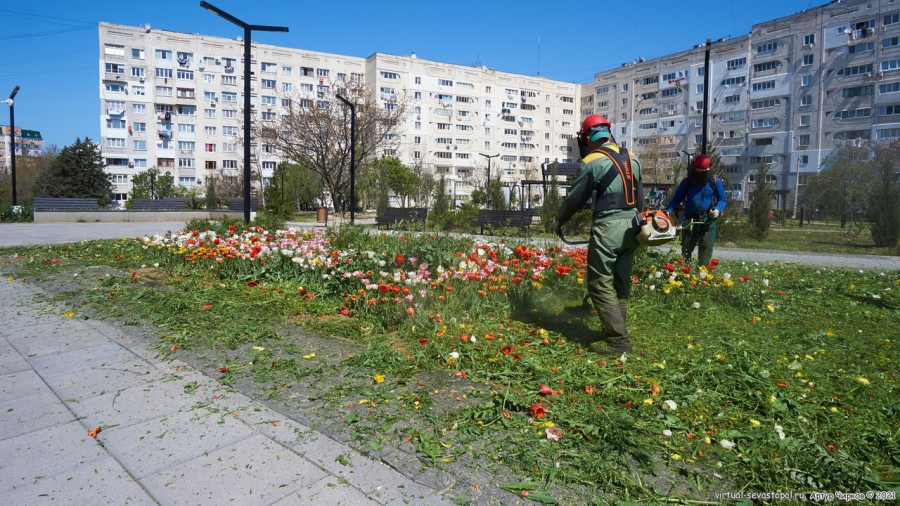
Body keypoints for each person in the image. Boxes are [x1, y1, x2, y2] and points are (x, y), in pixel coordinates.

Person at [553, 114, 644, 356]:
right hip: (632, 225)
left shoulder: (592, 161)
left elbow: (575, 199)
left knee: (600, 282)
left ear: (586, 138)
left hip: (608, 228)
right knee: (620, 282)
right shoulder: (633, 158)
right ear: (608, 133)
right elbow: (640, 197)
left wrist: (559, 219)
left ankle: (618, 341)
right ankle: (616, 332)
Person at [666, 154, 727, 267]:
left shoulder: (715, 181)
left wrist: (718, 209)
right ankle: (686, 271)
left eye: (702, 172)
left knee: (706, 246)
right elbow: (677, 198)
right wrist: (668, 211)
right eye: (697, 171)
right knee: (687, 246)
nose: (699, 174)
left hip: (708, 219)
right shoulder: (687, 182)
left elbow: (722, 199)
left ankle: (702, 273)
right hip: (690, 218)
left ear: (708, 170)